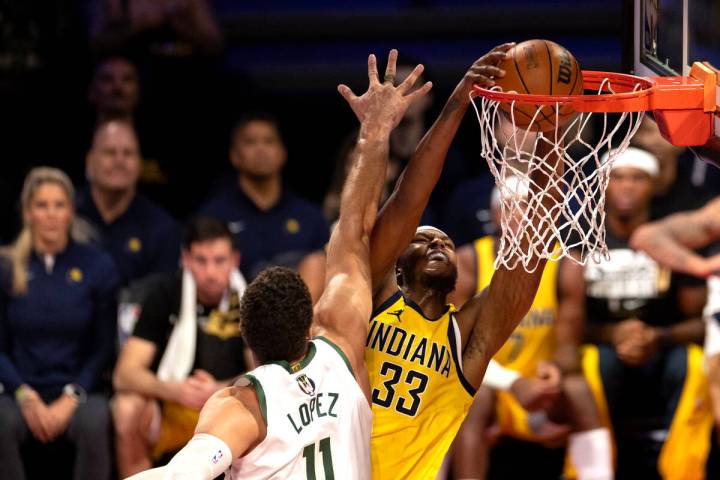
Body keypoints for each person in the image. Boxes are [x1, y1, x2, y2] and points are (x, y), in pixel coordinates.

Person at [125, 49, 432, 480]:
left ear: (245, 335)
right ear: (309, 321)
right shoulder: (342, 352)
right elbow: (353, 235)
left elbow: (182, 473)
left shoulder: (241, 403)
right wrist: (375, 133)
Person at [362, 43, 577, 480]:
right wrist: (460, 100)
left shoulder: (466, 344)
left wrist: (551, 137)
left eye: (442, 239)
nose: (439, 242)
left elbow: (529, 249)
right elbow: (411, 196)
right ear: (397, 268)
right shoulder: (366, 302)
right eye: (424, 241)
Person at [560, 147, 712, 479]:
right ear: (602, 184)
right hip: (605, 347)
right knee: (590, 363)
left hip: (662, 346)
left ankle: (684, 471)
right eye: (618, 178)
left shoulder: (669, 240)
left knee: (693, 362)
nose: (627, 187)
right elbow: (568, 323)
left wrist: (659, 336)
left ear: (655, 185)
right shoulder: (581, 243)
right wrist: (612, 334)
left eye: (638, 178)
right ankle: (591, 470)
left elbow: (703, 323)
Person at [450, 179, 612, 480]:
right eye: (511, 207)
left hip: (541, 386)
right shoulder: (468, 261)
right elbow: (456, 350)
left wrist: (555, 370)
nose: (522, 214)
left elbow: (567, 344)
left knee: (578, 386)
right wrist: (512, 383)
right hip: (489, 382)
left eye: (530, 205)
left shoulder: (566, 264)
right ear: (495, 214)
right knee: (474, 397)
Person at [0, 167, 119, 480]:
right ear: (28, 213)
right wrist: (23, 395)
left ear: (71, 211)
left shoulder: (97, 265)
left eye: (59, 205)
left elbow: (105, 345)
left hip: (79, 388)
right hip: (21, 389)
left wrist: (72, 396)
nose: (51, 214)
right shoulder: (7, 267)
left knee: (95, 420)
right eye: (42, 205)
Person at [112, 217, 252, 477]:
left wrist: (218, 390)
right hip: (173, 407)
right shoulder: (164, 294)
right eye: (201, 260)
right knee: (127, 407)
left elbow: (266, 372)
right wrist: (174, 390)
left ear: (235, 260)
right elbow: (124, 374)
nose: (210, 272)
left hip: (230, 407)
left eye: (219, 261)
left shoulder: (252, 297)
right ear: (186, 259)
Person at [199, 113, 329, 302]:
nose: (260, 149)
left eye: (269, 141)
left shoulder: (311, 217)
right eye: (250, 142)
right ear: (234, 156)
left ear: (282, 153)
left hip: (299, 320)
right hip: (232, 319)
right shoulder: (213, 216)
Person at [77, 119, 181, 287]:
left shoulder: (162, 228)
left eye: (128, 153)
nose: (119, 161)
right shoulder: (66, 215)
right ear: (90, 161)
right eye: (110, 152)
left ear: (139, 164)